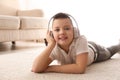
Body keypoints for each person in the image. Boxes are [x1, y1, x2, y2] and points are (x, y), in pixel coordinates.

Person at [31, 12, 120, 74]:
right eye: (57, 30)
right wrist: (50, 45)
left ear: (74, 31)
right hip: (84, 48)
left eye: (67, 28)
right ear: (51, 33)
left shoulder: (81, 39)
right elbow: (35, 68)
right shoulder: (54, 47)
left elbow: (80, 68)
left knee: (110, 51)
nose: (62, 32)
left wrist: (50, 68)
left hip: (95, 51)